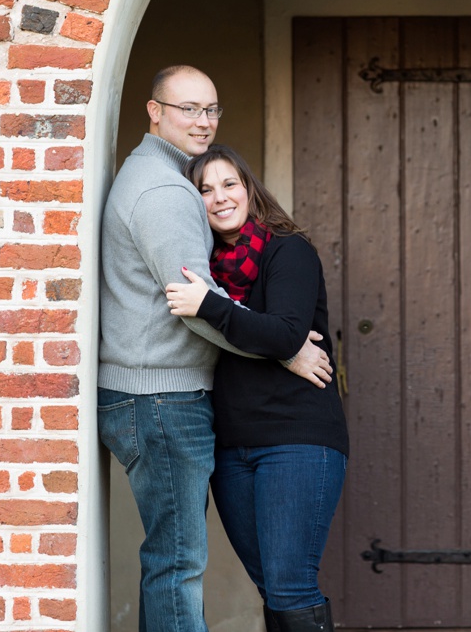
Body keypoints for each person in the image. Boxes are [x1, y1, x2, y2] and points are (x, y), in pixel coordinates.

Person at [98, 66, 332, 632]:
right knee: (177, 563)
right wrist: (286, 350)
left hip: (173, 402)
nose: (202, 122)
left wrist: (277, 338)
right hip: (161, 396)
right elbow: (197, 305)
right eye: (188, 109)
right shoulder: (165, 191)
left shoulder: (275, 248)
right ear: (154, 111)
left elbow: (215, 302)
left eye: (211, 110)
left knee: (182, 562)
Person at [165, 144, 349, 632]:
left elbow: (286, 332)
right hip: (231, 448)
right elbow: (273, 338)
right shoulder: (201, 265)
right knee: (273, 588)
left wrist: (210, 306)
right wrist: (215, 303)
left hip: (297, 441)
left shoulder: (288, 250)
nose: (219, 198)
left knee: (291, 587)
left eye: (229, 184)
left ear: (248, 188)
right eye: (203, 190)